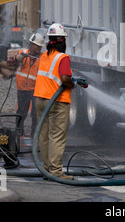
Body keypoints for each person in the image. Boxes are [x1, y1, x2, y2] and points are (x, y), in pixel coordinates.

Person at [33, 23, 75, 180]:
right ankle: (56, 171)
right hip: (57, 101)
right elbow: (64, 79)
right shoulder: (63, 58)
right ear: (62, 41)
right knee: (56, 136)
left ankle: (47, 169)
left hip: (40, 99)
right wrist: (73, 84)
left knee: (44, 135)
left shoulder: (45, 56)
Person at [14, 33, 45, 137]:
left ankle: (34, 134)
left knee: (36, 114)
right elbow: (10, 63)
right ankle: (19, 132)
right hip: (22, 88)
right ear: (31, 44)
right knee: (21, 112)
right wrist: (17, 58)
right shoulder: (22, 54)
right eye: (37, 46)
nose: (39, 48)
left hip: (36, 90)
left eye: (40, 47)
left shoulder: (42, 58)